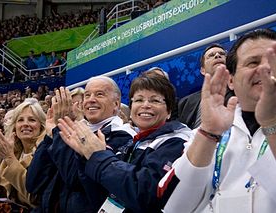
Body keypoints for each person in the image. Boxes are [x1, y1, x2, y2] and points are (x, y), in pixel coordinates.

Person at [158, 29, 276, 213]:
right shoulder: (208, 131)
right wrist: (208, 133)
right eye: (253, 62)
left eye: (274, 61)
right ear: (231, 80)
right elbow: (172, 206)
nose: (264, 68)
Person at [58, 74, 192, 212]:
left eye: (155, 100)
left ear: (169, 111)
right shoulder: (133, 144)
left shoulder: (178, 142)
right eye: (139, 100)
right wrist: (85, 157)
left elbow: (147, 194)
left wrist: (98, 157)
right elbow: (103, 192)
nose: (145, 105)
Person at [26, 78, 136, 213]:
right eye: (87, 95)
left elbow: (74, 181)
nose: (91, 99)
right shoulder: (76, 130)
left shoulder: (123, 137)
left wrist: (59, 131)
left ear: (116, 104)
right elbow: (33, 183)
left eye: (99, 94)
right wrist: (49, 137)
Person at [0, 98, 46, 210]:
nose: (25, 124)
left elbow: (34, 199)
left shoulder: (45, 153)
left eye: (32, 120)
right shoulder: (13, 152)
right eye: (20, 120)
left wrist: (9, 158)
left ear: (41, 126)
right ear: (14, 127)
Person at [178, 44, 227, 129]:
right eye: (211, 55)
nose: (217, 55)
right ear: (203, 70)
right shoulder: (185, 103)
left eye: (222, 54)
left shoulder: (242, 91)